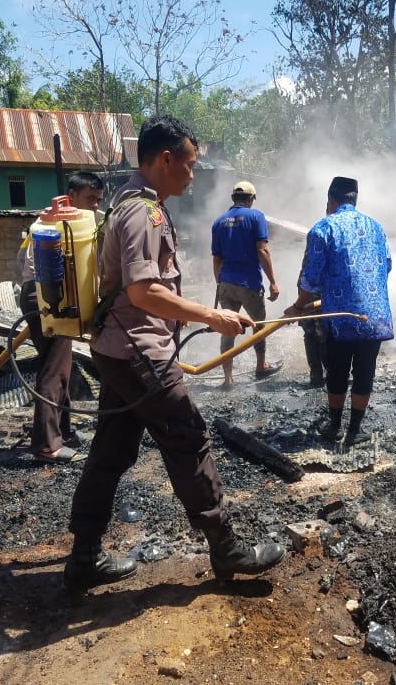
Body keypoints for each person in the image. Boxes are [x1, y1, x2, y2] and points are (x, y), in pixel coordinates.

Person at [63, 115, 285, 592]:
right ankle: (226, 548)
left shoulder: (125, 201)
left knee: (110, 451)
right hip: (139, 350)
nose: (193, 174)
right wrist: (212, 316)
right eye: (189, 164)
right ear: (165, 160)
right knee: (188, 437)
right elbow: (144, 292)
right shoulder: (144, 213)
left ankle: (83, 557)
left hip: (115, 349)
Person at [284, 176, 394, 448]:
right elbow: (387, 265)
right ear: (354, 200)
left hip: (338, 318)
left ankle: (334, 426)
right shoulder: (377, 227)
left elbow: (310, 278)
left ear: (330, 200)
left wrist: (299, 306)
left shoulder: (323, 228)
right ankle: (355, 431)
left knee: (337, 371)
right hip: (375, 315)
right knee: (365, 371)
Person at [18, 171, 104, 463]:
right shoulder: (54, 226)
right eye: (90, 199)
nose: (94, 205)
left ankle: (64, 431)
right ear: (72, 195)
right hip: (48, 298)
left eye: (98, 200)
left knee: (60, 367)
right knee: (53, 371)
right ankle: (46, 445)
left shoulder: (50, 224)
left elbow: (21, 260)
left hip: (43, 295)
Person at [210, 180, 281, 389]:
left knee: (227, 328)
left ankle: (228, 378)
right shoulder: (256, 216)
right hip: (249, 283)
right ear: (251, 198)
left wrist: (220, 283)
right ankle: (261, 366)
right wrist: (273, 282)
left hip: (226, 283)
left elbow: (217, 259)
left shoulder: (218, 222)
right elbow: (262, 251)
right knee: (258, 326)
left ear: (233, 198)